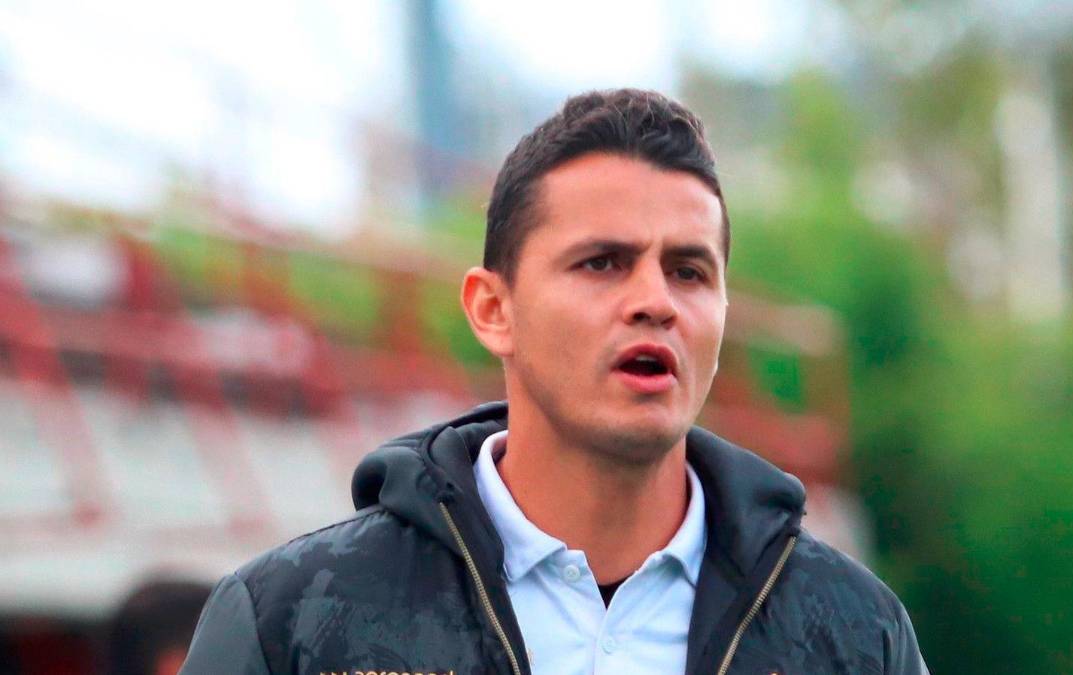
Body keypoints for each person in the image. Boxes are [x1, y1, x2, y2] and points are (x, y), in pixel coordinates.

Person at [182, 88, 927, 674]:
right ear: (493, 309)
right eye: (602, 262)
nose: (655, 301)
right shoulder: (292, 621)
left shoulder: (855, 634)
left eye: (688, 271)